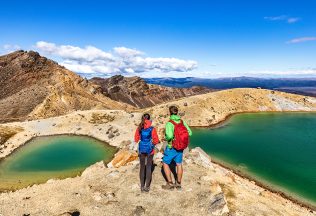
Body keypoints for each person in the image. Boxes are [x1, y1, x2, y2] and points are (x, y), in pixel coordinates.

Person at [162, 105, 192, 190]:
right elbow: (190, 133)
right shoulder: (182, 121)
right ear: (177, 112)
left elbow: (169, 136)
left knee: (165, 163)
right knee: (179, 164)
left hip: (172, 147)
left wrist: (168, 138)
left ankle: (170, 184)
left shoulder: (169, 123)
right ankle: (178, 184)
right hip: (181, 147)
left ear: (170, 112)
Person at [134, 113, 159, 192]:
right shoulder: (152, 128)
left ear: (143, 118)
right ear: (149, 119)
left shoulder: (139, 127)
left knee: (142, 167)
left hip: (142, 149)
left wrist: (141, 141)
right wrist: (152, 144)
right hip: (149, 149)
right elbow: (156, 140)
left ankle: (141, 186)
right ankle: (147, 186)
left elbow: (136, 139)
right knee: (148, 167)